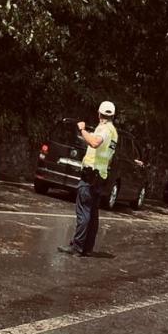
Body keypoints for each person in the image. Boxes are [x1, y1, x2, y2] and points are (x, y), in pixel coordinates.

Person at [59, 101, 118, 257]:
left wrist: (82, 130)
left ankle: (77, 247)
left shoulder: (104, 129)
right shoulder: (114, 132)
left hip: (91, 175)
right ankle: (87, 247)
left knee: (83, 211)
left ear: (99, 114)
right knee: (92, 213)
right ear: (113, 115)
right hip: (101, 176)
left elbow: (94, 142)